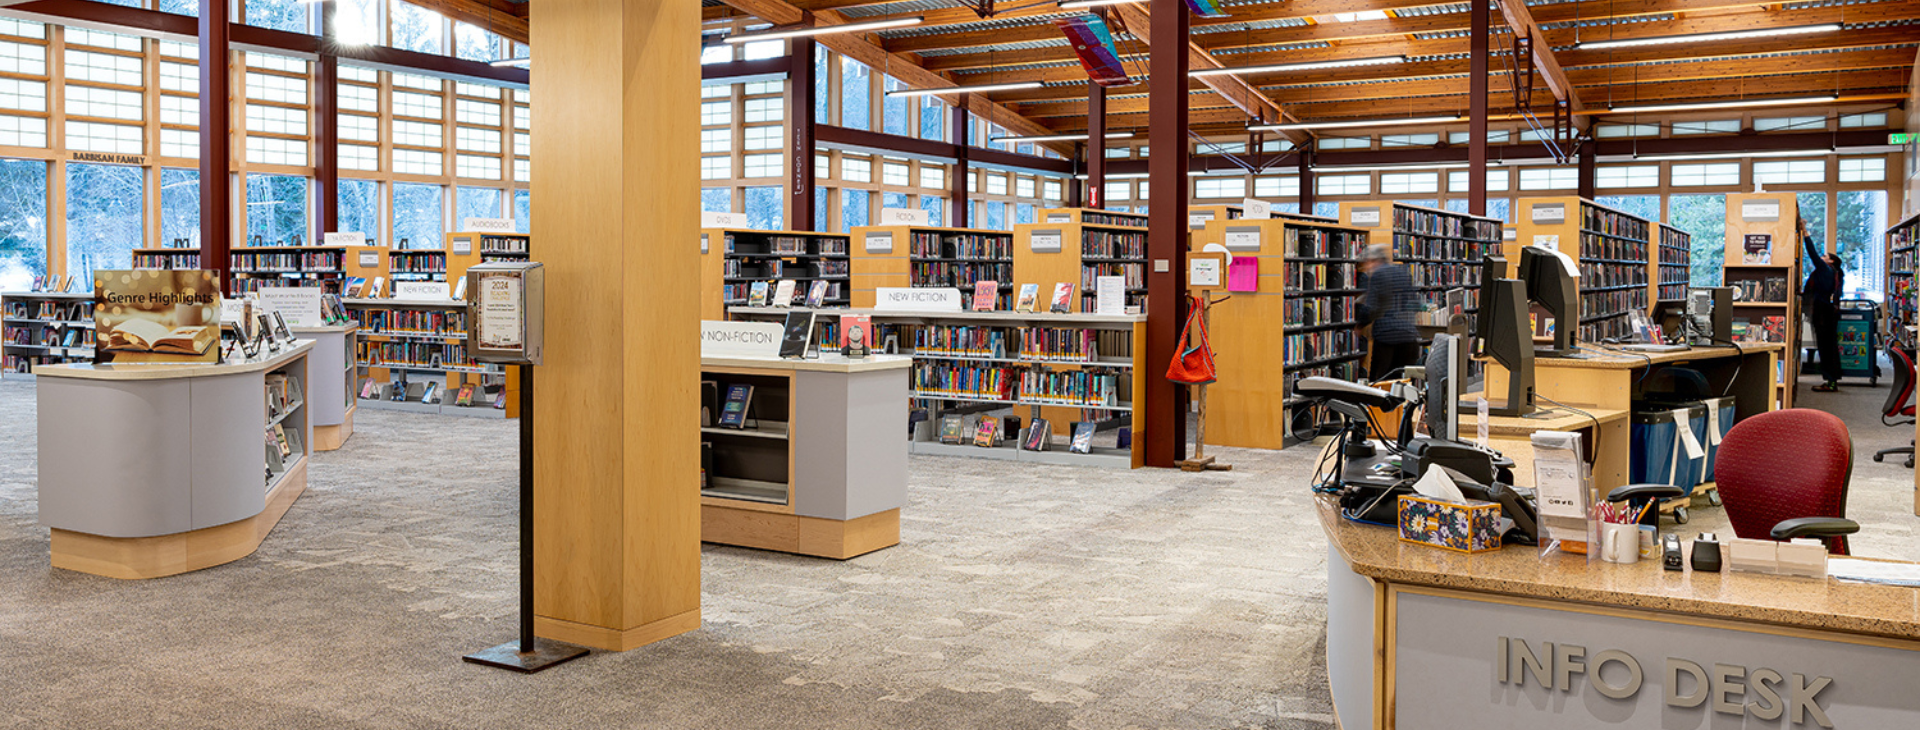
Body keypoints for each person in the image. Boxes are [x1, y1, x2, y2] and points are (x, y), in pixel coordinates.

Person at [1357, 243, 1420, 381]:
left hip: (1387, 337)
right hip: (1409, 336)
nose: (1366, 267)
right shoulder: (1403, 272)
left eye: (1366, 263)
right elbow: (1415, 303)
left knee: (1379, 381)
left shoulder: (1378, 274)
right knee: (1402, 381)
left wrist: (1360, 325)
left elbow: (1372, 307)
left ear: (1374, 261)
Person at [1800, 221, 1844, 392]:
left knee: (1825, 347)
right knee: (1829, 346)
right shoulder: (1834, 273)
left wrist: (1805, 232)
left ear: (1831, 261)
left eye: (1825, 256)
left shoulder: (1826, 270)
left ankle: (1831, 381)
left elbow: (1811, 253)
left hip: (1823, 313)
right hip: (1828, 312)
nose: (1822, 257)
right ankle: (1831, 379)